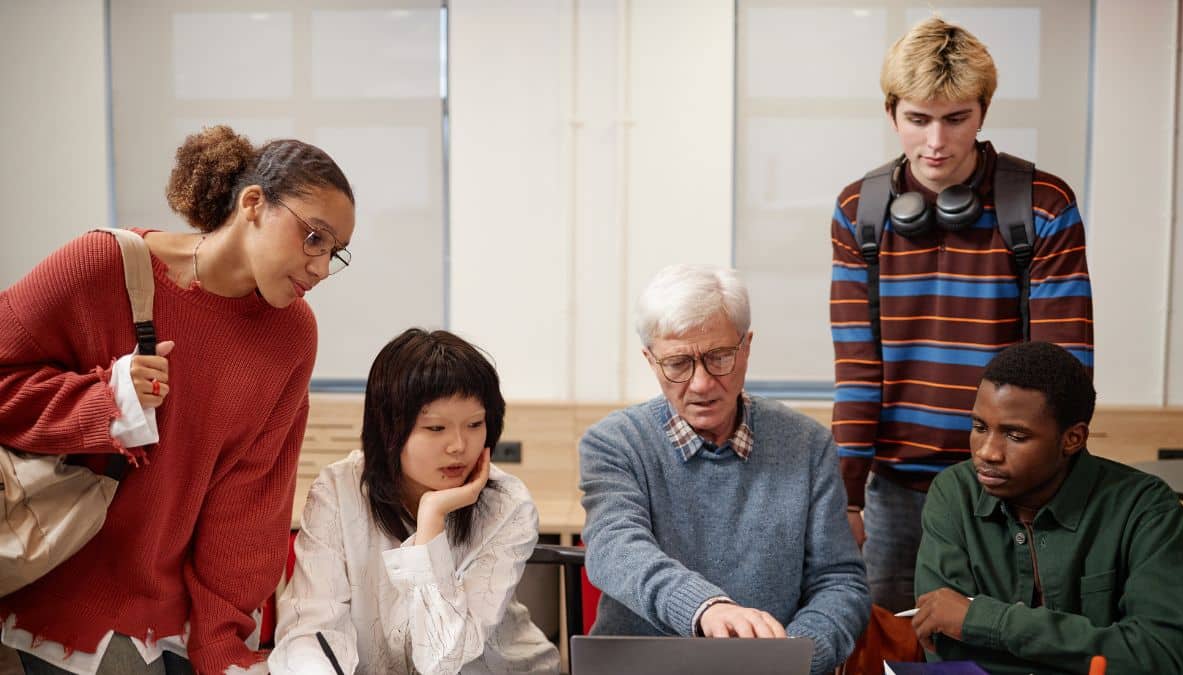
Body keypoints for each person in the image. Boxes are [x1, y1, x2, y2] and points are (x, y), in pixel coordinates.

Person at [0, 125, 356, 674]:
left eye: (335, 252)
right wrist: (105, 400)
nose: (320, 267)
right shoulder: (104, 265)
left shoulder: (292, 336)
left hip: (180, 621)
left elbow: (250, 505)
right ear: (254, 203)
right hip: (69, 600)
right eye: (314, 237)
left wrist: (224, 651)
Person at [829, 17, 1094, 612]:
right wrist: (847, 499)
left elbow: (1065, 372)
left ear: (983, 112)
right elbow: (857, 366)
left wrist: (1053, 494)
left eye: (956, 119)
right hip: (895, 493)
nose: (936, 144)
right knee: (890, 647)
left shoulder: (1042, 206)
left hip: (1010, 490)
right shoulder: (859, 211)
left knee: (1007, 648)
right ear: (892, 111)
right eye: (918, 119)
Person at [579, 264, 870, 675]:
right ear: (650, 359)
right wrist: (706, 609)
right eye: (677, 363)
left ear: (746, 346)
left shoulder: (807, 445)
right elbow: (616, 550)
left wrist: (795, 656)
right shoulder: (614, 443)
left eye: (719, 357)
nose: (700, 383)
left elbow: (840, 582)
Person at [269, 329, 559, 675]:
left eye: (474, 424)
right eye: (436, 428)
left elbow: (442, 659)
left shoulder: (507, 505)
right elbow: (310, 631)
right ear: (388, 428)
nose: (458, 445)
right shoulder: (338, 489)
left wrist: (432, 521)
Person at [913, 342, 1183, 673]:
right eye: (979, 427)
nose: (987, 452)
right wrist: (1091, 651)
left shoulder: (1146, 508)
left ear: (1072, 439)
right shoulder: (953, 494)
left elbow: (1167, 656)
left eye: (1015, 435)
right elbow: (946, 646)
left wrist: (986, 621)